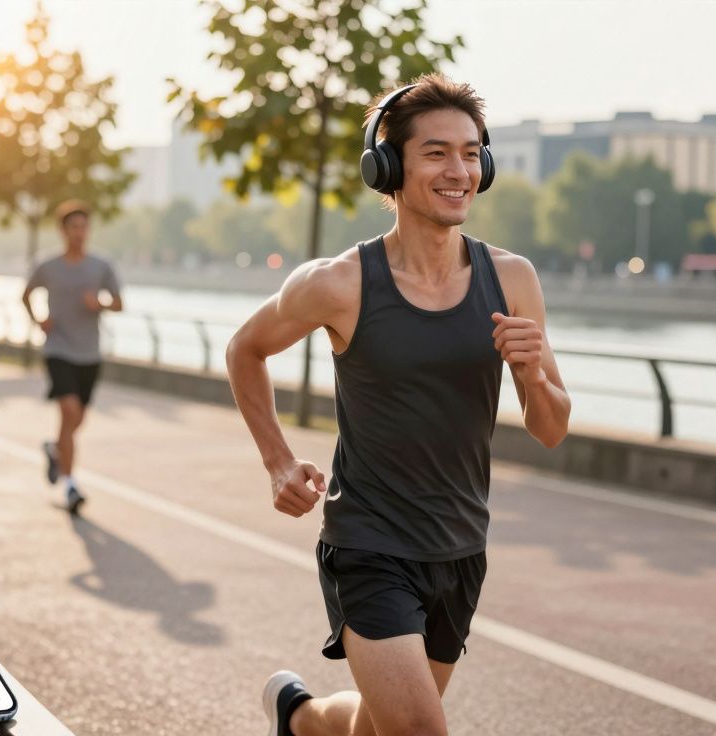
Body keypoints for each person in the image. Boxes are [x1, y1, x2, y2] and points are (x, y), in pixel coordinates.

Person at [225, 74, 571, 736]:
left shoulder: (512, 278)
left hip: (461, 548)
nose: (459, 170)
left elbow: (551, 429)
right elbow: (246, 348)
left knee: (383, 725)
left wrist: (532, 374)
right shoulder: (339, 284)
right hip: (370, 544)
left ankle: (299, 722)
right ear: (387, 167)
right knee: (418, 730)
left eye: (471, 153)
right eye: (437, 152)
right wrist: (276, 461)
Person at [20, 200, 123, 515]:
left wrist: (100, 304)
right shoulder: (47, 266)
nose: (79, 232)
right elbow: (26, 294)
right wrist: (38, 319)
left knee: (77, 419)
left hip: (89, 352)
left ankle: (55, 448)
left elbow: (119, 303)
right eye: (73, 227)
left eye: (83, 227)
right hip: (58, 348)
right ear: (62, 230)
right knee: (68, 409)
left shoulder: (101, 266)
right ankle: (70, 485)